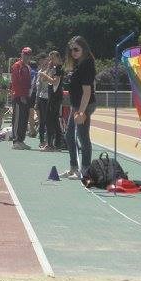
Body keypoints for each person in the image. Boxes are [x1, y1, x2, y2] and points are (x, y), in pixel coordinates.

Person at [62, 36, 97, 179]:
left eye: (76, 49)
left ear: (84, 48)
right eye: (71, 50)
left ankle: (85, 169)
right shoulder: (78, 63)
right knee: (69, 135)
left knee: (82, 136)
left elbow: (87, 91)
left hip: (84, 104)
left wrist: (81, 112)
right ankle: (74, 168)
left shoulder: (87, 64)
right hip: (76, 104)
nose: (73, 52)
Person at [10, 48, 33, 150]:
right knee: (17, 118)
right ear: (21, 55)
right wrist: (21, 95)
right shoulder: (17, 66)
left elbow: (28, 83)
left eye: (28, 55)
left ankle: (21, 140)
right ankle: (16, 141)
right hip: (19, 96)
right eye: (25, 54)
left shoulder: (27, 67)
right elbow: (16, 82)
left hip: (26, 96)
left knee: (24, 119)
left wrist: (27, 95)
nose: (26, 56)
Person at [43, 50, 64, 151]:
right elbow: (43, 80)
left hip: (55, 97)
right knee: (54, 120)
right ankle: (57, 144)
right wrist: (48, 69)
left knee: (50, 120)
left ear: (58, 58)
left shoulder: (59, 68)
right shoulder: (53, 68)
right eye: (50, 59)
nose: (51, 60)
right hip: (52, 96)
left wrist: (45, 76)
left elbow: (55, 82)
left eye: (52, 58)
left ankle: (50, 144)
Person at [34, 55, 52, 148]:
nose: (47, 63)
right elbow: (38, 87)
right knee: (42, 120)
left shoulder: (53, 71)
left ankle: (49, 141)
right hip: (42, 98)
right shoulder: (40, 72)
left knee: (50, 120)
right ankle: (42, 141)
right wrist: (36, 101)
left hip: (51, 98)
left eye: (48, 61)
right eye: (45, 61)